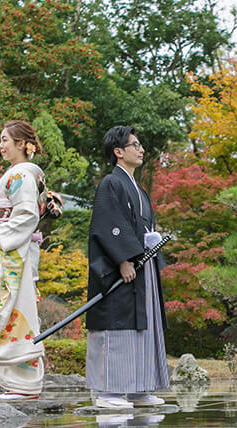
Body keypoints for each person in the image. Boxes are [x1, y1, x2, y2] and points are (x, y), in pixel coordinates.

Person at [85, 125, 170, 411]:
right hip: (120, 270)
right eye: (135, 145)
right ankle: (109, 390)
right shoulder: (112, 183)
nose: (141, 149)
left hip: (141, 268)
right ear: (118, 152)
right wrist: (122, 259)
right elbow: (108, 225)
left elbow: (140, 226)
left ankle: (137, 387)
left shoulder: (138, 190)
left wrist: (151, 239)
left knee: (143, 326)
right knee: (117, 325)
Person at [0, 120, 47, 402]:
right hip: (8, 250)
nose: (0, 146)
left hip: (11, 251)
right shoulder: (18, 174)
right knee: (10, 311)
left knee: (14, 311)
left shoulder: (21, 176)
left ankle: (23, 383)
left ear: (21, 144)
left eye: (5, 140)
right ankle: (16, 381)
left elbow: (27, 215)